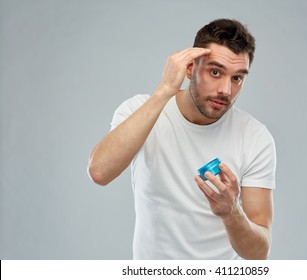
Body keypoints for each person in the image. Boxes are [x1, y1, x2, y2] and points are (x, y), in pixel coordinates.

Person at [88, 19, 276, 260]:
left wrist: (231, 213)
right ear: (189, 69)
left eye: (237, 78)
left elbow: (259, 253)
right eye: (215, 72)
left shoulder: (255, 137)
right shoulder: (139, 110)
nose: (226, 90)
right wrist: (165, 89)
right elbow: (99, 172)